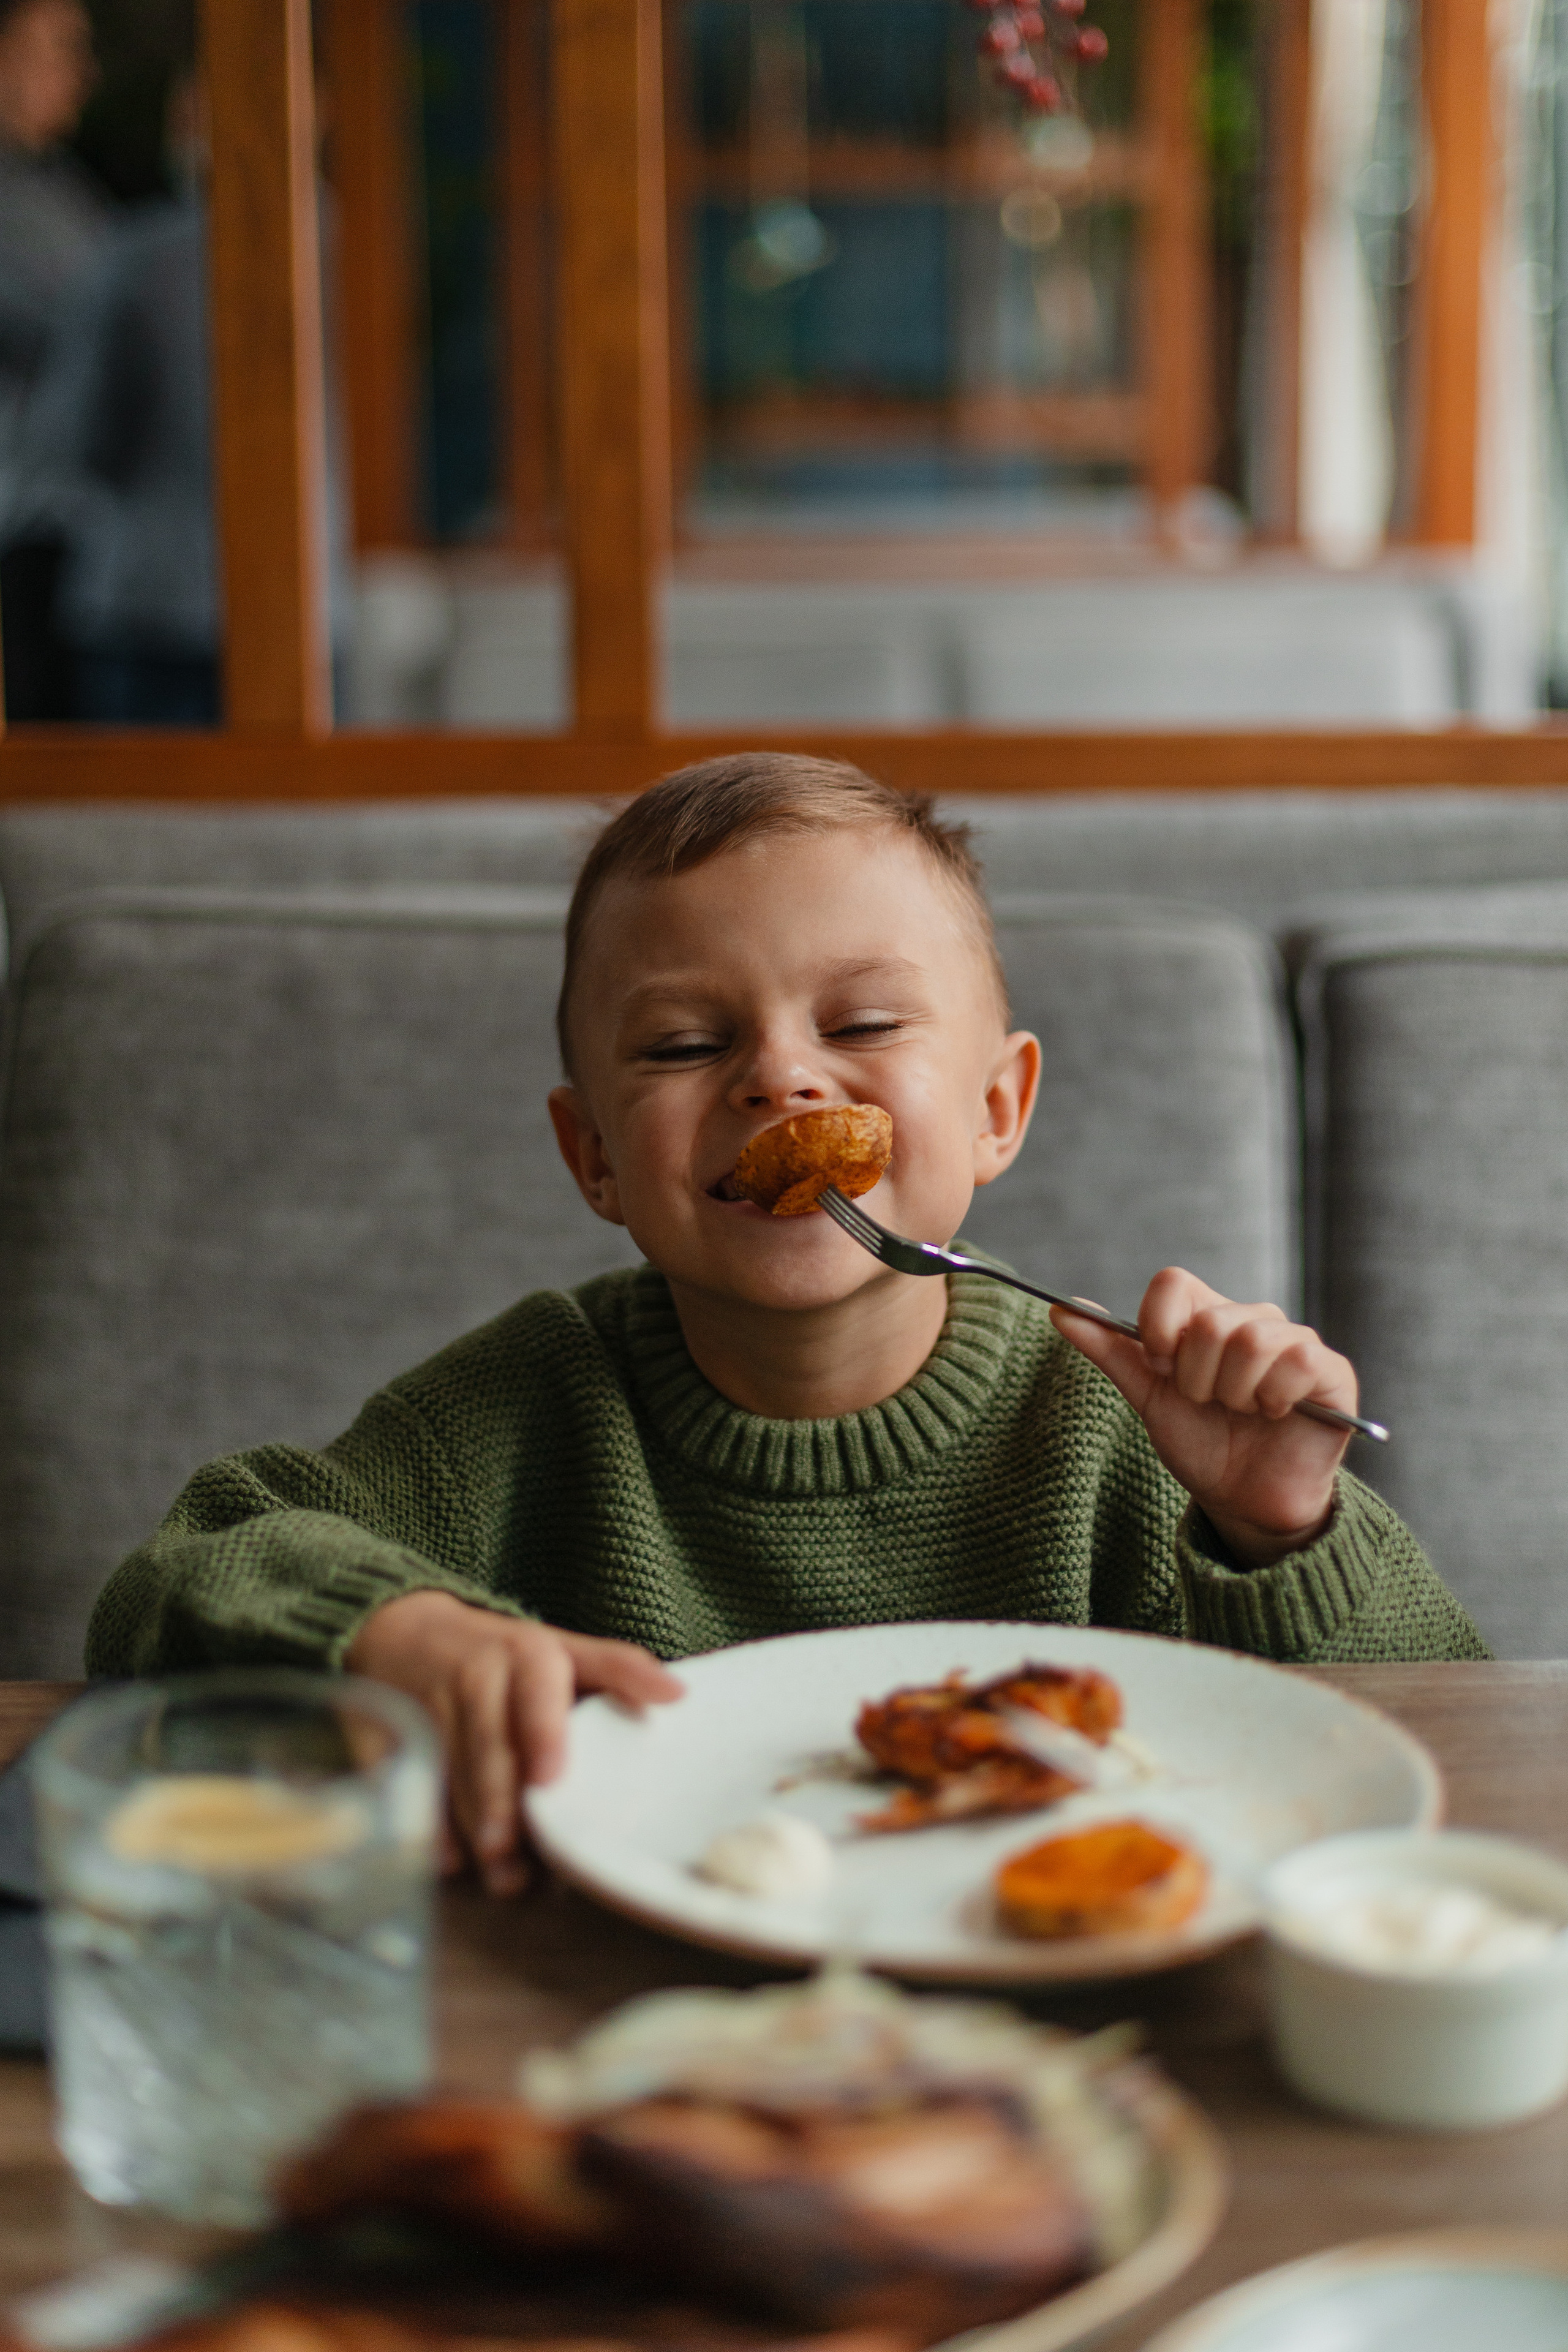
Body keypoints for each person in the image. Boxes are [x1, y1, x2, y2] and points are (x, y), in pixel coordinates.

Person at [86, 755, 1487, 1891]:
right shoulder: (535, 1403)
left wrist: (1282, 1528)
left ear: (996, 1108)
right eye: (686, 1045)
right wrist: (390, 1627)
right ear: (592, 1159)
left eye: (863, 1023)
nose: (781, 1081)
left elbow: (1459, 1755)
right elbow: (184, 1574)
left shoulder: (1115, 1423)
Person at [0, 0, 104, 720]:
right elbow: (101, 319)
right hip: (29, 532)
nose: (79, 76)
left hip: (68, 535)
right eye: (55, 52)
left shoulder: (56, 193)